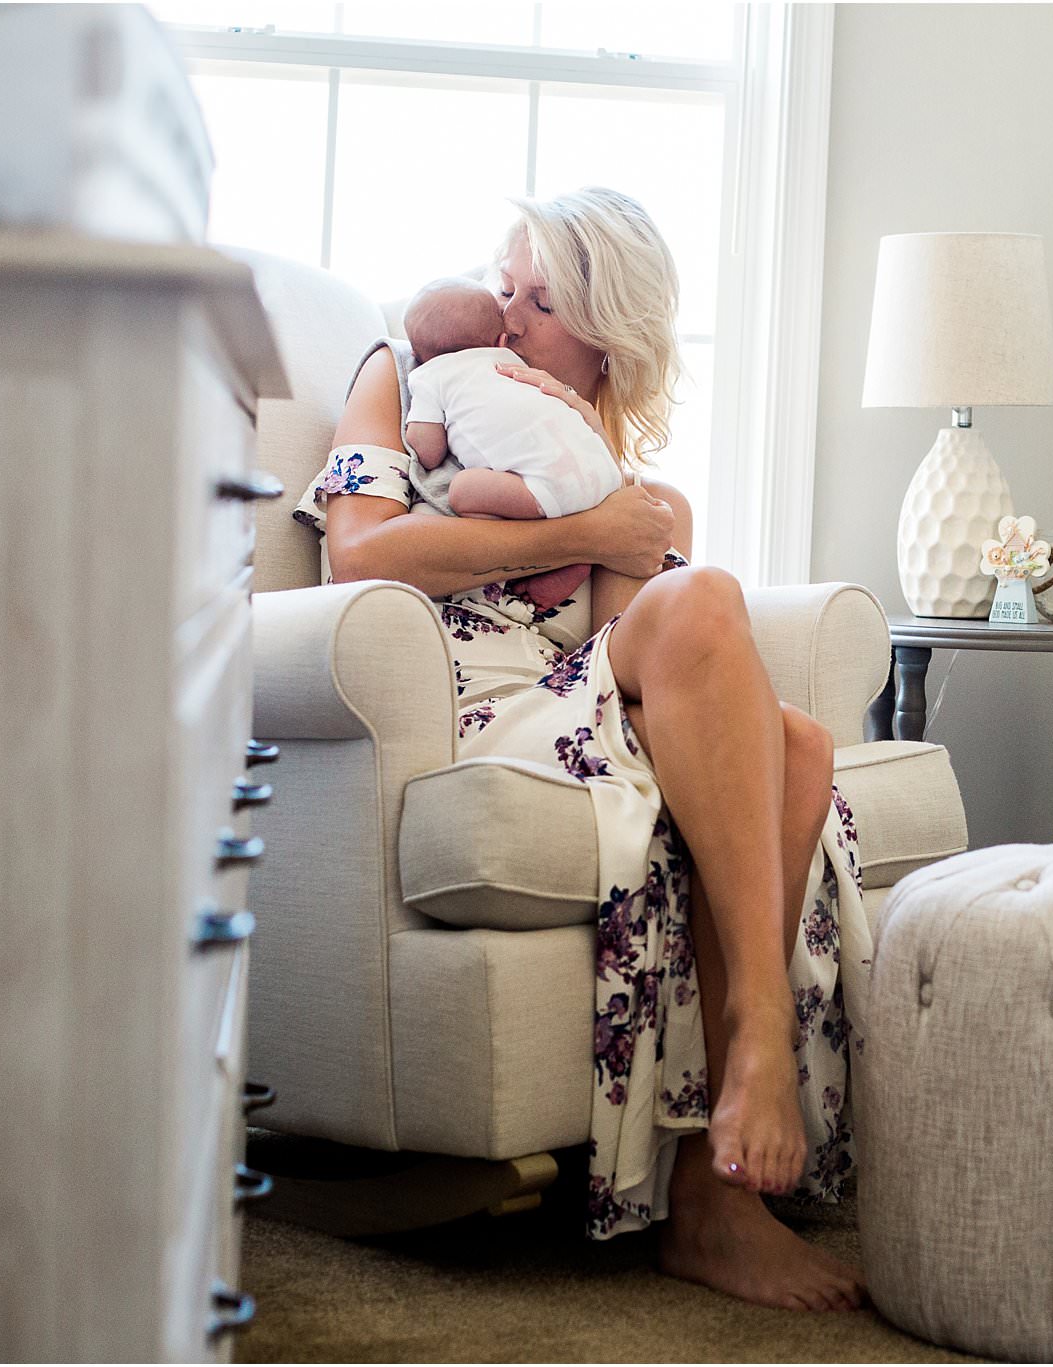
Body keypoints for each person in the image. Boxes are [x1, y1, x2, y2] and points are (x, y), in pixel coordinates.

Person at [291, 187, 869, 1313]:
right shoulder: (401, 374)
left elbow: (639, 661)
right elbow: (358, 554)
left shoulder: (629, 489)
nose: (506, 319)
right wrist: (583, 534)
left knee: (793, 742)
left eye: (541, 303)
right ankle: (757, 1036)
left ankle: (711, 1196)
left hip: (579, 710)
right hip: (458, 708)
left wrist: (618, 530)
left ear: (608, 336)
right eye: (504, 286)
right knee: (711, 615)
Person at [399, 275, 625, 526]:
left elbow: (428, 453)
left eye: (543, 304)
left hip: (546, 491)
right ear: (501, 340)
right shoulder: (517, 367)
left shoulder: (428, 375)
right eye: (505, 292)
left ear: (415, 353)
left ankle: (550, 557)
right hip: (606, 476)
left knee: (462, 489)